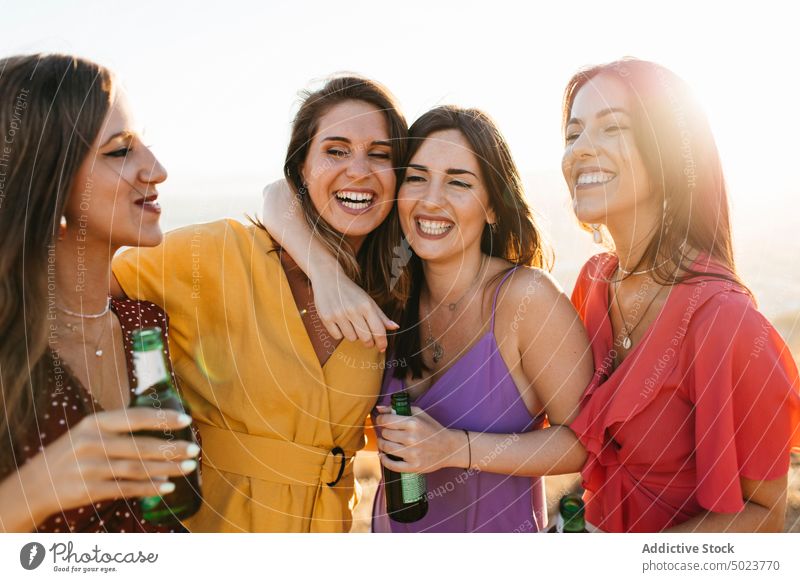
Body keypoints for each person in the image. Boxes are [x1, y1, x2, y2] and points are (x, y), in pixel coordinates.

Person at [262, 106, 593, 532]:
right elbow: (276, 195)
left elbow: (583, 443)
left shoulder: (527, 300)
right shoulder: (385, 292)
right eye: (417, 178)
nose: (431, 199)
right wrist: (326, 276)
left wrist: (454, 449)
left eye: (458, 182)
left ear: (493, 205)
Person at [112, 76, 408, 532]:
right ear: (301, 170)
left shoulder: (395, 293)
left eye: (380, 154)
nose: (359, 170)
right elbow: (80, 297)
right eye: (335, 150)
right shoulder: (218, 254)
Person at [562, 58, 800, 532]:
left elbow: (765, 518)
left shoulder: (726, 323)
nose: (581, 150)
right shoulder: (592, 283)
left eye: (612, 128)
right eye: (572, 134)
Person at [0, 54, 199, 533]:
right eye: (119, 151)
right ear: (46, 180)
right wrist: (37, 489)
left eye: (143, 144)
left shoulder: (144, 324)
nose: (157, 170)